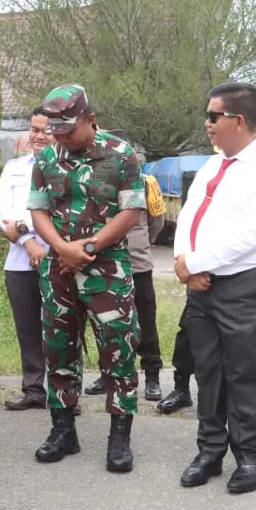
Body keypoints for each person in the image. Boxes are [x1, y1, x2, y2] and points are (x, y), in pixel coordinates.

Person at [174, 82, 256, 494]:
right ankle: (209, 451)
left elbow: (253, 235)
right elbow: (189, 216)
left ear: (238, 120)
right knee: (208, 371)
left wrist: (197, 263)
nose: (206, 124)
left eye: (213, 116)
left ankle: (250, 459)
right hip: (202, 283)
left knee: (244, 374)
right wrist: (185, 264)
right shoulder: (211, 165)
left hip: (243, 285)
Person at [29, 84, 145, 473]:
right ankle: (63, 429)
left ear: (90, 120)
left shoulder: (121, 155)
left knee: (118, 349)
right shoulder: (46, 157)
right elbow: (38, 211)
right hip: (58, 268)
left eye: (68, 129)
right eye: (54, 130)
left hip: (107, 268)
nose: (59, 137)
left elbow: (131, 212)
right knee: (58, 347)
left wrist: (88, 249)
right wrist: (63, 249)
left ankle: (119, 435)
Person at [86, 155, 167, 401]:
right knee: (105, 324)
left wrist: (140, 243)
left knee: (146, 322)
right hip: (105, 264)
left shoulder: (146, 182)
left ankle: (151, 376)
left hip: (137, 265)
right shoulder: (92, 182)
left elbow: (157, 222)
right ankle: (107, 373)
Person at [0, 108, 54, 411]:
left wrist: (43, 245)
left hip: (59, 259)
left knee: (62, 328)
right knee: (28, 328)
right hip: (19, 261)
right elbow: (2, 214)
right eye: (34, 129)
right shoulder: (14, 168)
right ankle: (33, 390)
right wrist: (29, 241)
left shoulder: (69, 168)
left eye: (46, 130)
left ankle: (64, 392)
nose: (39, 135)